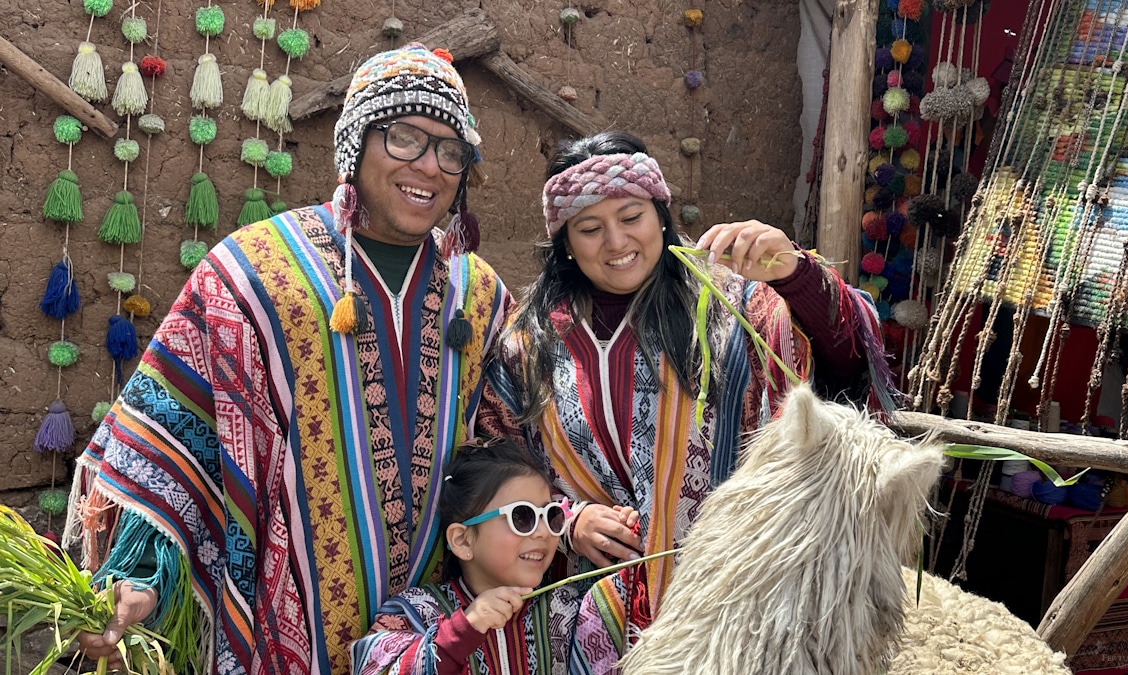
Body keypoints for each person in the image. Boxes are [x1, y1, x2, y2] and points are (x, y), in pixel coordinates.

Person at [65, 44, 509, 675]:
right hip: (285, 627)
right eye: (405, 136)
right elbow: (175, 439)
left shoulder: (482, 294)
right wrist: (141, 578)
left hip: (439, 634)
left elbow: (518, 443)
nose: (430, 166)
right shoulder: (250, 275)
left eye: (450, 150)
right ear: (356, 145)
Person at [476, 131, 896, 660]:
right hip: (582, 618)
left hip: (731, 605)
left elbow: (847, 365)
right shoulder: (529, 344)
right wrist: (566, 519)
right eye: (589, 228)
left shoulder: (732, 304)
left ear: (660, 215)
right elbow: (495, 460)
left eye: (632, 217)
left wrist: (794, 273)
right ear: (564, 243)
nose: (616, 242)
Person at [351, 439, 625, 675]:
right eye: (523, 516)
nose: (543, 532)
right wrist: (463, 629)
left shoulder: (564, 609)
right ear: (462, 540)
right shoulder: (418, 612)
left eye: (551, 515)